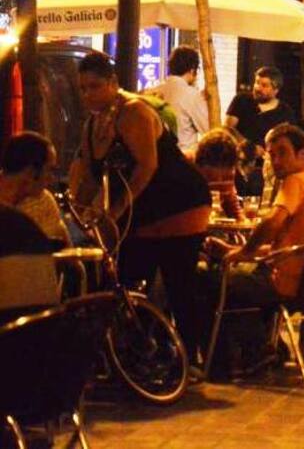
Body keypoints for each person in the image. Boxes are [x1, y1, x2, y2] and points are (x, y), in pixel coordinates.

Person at [69, 51, 211, 367]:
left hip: (178, 202)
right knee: (127, 277)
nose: (88, 95)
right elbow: (89, 176)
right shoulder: (93, 124)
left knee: (178, 281)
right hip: (142, 209)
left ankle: (189, 359)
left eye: (95, 86)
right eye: (83, 88)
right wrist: (75, 212)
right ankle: (139, 355)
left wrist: (117, 210)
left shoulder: (134, 112)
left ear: (113, 83)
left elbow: (147, 166)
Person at [205, 124, 304, 372]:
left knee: (214, 282)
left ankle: (249, 353)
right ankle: (266, 348)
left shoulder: (295, 181)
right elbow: (290, 247)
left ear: (302, 155)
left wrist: (245, 252)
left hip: (288, 283)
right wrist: (233, 249)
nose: (275, 161)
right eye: (271, 154)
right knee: (241, 277)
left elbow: (272, 222)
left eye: (282, 153)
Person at [0, 133, 64, 314]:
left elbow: (65, 247)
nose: (51, 179)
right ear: (30, 172)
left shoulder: (45, 202)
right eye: (49, 170)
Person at [146, 45, 209, 153]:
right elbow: (208, 129)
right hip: (183, 156)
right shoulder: (192, 95)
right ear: (192, 70)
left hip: (157, 155)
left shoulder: (153, 91)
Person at [225, 66, 297, 152]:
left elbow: (289, 141)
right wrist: (251, 148)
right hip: (240, 155)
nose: (258, 88)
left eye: (264, 85)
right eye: (257, 82)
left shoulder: (285, 112)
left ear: (276, 90)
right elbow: (227, 129)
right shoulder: (241, 100)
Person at [195, 128, 243, 221]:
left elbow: (232, 206)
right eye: (211, 176)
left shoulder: (229, 171)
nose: (220, 180)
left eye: (227, 176)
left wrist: (242, 222)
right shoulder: (187, 171)